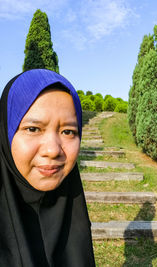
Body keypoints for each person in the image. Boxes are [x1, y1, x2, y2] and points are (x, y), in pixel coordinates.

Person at [0, 69, 96, 266]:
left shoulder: (74, 219)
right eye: (33, 129)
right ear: (5, 134)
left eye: (68, 131)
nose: (53, 150)